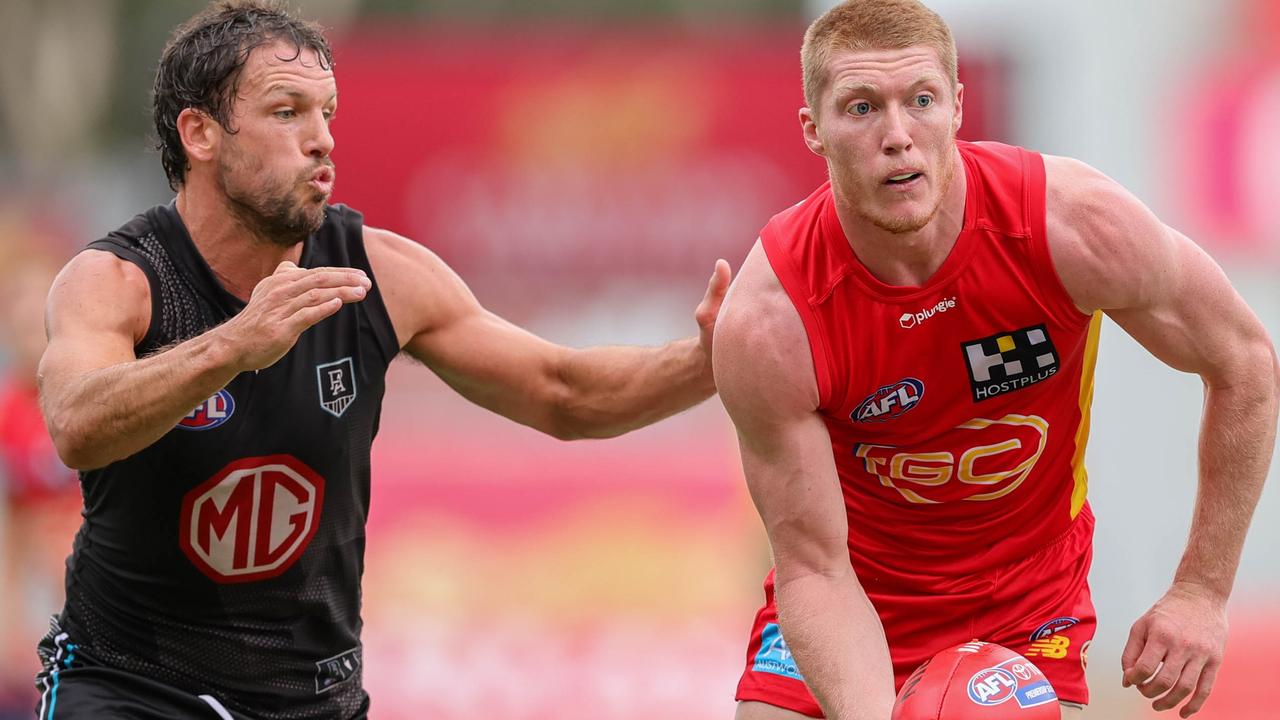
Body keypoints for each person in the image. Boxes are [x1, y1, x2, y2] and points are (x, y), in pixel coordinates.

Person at [33, 2, 730, 718]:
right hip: (130, 687)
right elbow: (75, 423)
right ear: (201, 133)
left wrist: (705, 362)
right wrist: (233, 346)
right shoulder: (117, 280)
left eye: (328, 113)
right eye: (287, 112)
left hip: (311, 700)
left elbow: (563, 392)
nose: (323, 141)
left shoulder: (379, 273)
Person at [713, 1, 1278, 719]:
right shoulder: (772, 318)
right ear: (813, 130)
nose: (896, 137)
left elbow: (1247, 362)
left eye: (919, 100)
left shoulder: (1072, 225)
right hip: (852, 597)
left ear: (956, 107)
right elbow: (815, 571)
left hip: (1025, 606)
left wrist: (1202, 590)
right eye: (860, 108)